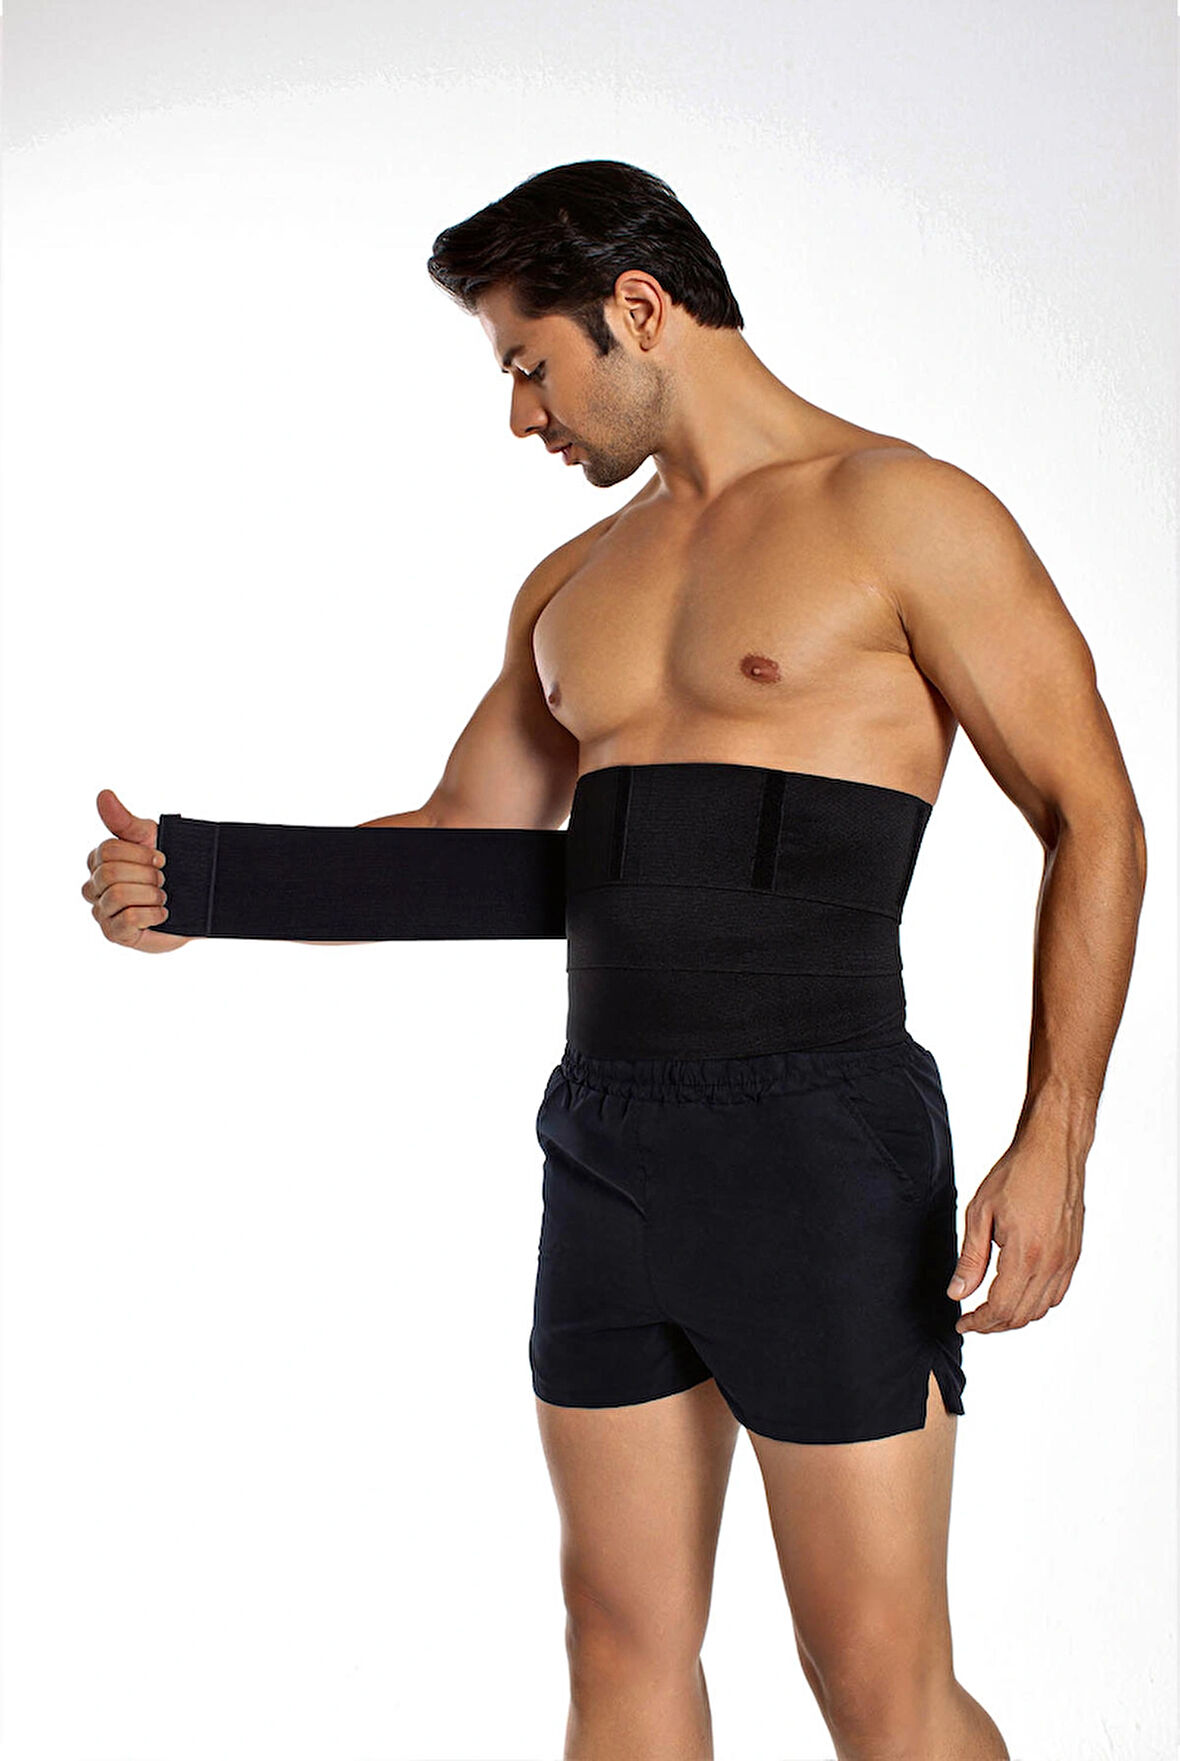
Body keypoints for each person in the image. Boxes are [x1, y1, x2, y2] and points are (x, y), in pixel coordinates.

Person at [83, 160, 1147, 1761]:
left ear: (638, 310)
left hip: (824, 1146)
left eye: (532, 364)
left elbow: (1094, 815)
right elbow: (472, 842)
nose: (522, 415)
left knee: (874, 1677)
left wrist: (1055, 1134)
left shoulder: (905, 512)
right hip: (608, 1149)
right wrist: (205, 883)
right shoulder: (572, 583)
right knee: (619, 1643)